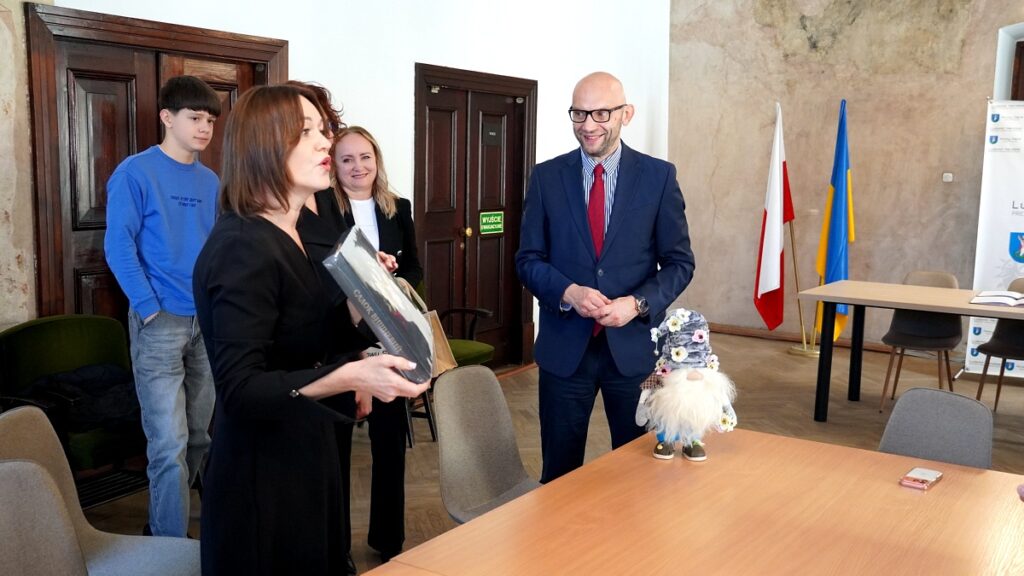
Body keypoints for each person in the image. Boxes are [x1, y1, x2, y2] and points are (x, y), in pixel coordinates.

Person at [193, 84, 430, 575]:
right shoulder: (242, 246)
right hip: (262, 479)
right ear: (264, 146)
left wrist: (360, 306)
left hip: (305, 451)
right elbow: (240, 389)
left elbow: (306, 335)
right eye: (307, 133)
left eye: (323, 130)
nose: (326, 143)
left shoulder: (294, 231)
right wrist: (352, 377)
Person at [515, 71, 696, 483]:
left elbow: (680, 262)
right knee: (559, 477)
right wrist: (569, 292)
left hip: (636, 354)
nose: (588, 125)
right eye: (579, 113)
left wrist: (638, 303)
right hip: (564, 353)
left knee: (641, 475)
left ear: (625, 114)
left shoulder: (658, 177)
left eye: (601, 113)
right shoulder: (546, 178)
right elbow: (528, 260)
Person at [104, 75, 221, 537]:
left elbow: (216, 248)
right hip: (160, 323)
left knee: (198, 436)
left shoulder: (211, 181)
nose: (204, 128)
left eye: (210, 120)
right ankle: (168, 545)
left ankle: (165, 529)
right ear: (167, 118)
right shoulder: (135, 172)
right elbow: (118, 245)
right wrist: (148, 306)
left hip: (205, 322)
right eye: (195, 118)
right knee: (168, 443)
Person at [332, 125, 422, 563]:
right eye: (347, 159)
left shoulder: (397, 208)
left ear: (376, 160)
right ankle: (336, 550)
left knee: (390, 446)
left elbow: (415, 269)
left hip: (390, 341)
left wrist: (395, 282)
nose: (358, 167)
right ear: (334, 165)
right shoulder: (323, 210)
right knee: (337, 451)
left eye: (365, 157)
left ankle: (389, 542)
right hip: (341, 343)